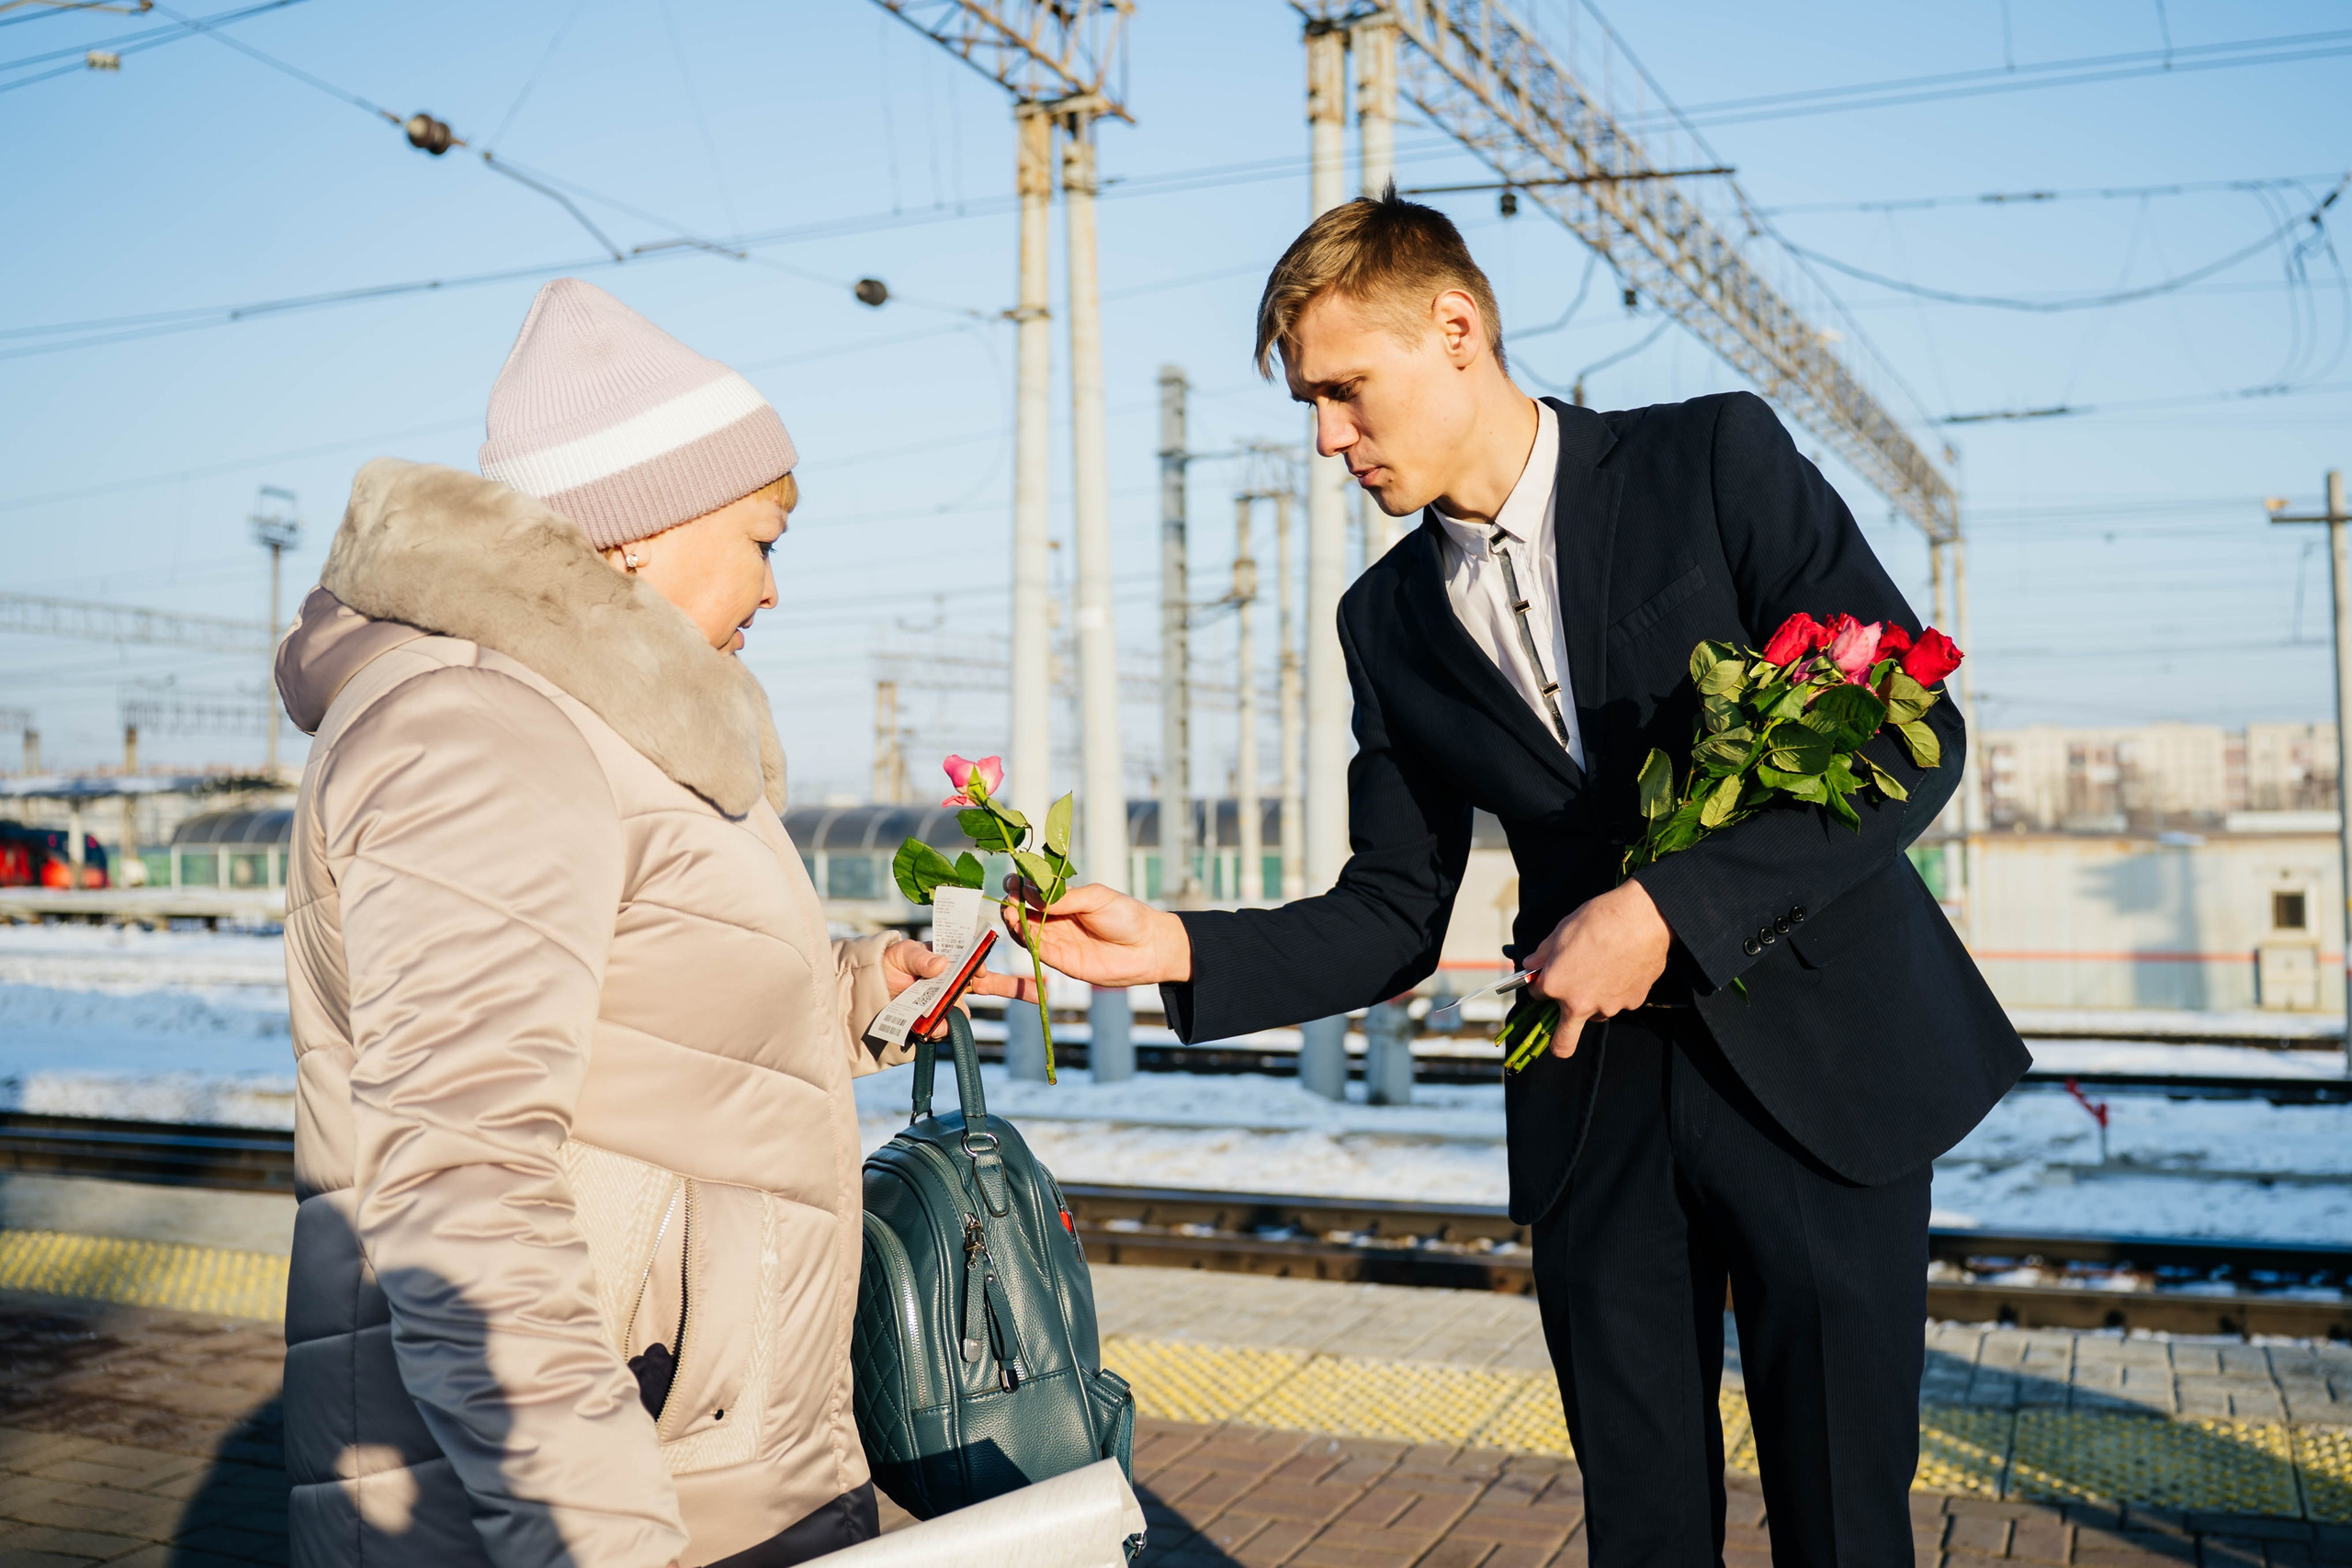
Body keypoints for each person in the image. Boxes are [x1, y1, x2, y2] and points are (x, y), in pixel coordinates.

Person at [1009, 193, 2030, 1566]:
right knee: (1640, 1531)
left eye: (1345, 392)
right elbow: (1391, 910)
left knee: (1845, 1524)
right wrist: (1177, 949)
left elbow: (1916, 735)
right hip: (1595, 1107)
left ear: (1455, 327)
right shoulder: (1386, 620)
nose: (1327, 439)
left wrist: (1666, 908)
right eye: (1310, 406)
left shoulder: (1710, 460)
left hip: (1818, 1074)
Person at [276, 278, 1032, 1568]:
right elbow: (463, 1184)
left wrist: (855, 992)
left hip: (690, 1440)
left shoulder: (588, 726)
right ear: (632, 534)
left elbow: (629, 1001)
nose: (776, 589)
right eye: (763, 539)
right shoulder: (481, 733)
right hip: (601, 1490)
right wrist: (600, 1537)